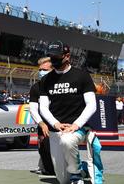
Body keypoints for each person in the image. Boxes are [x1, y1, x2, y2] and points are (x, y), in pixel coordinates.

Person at [39, 41, 97, 184]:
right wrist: (55, 123)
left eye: (57, 57)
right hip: (56, 129)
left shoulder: (82, 76)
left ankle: (76, 174)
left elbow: (92, 105)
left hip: (78, 128)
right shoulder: (45, 80)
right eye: (51, 57)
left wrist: (76, 125)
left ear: (67, 56)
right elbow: (43, 107)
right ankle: (81, 168)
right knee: (62, 179)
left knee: (67, 140)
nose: (54, 60)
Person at [28, 57, 55, 176]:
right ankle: (45, 167)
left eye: (44, 69)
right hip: (43, 124)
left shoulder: (60, 85)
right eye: (40, 69)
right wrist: (41, 123)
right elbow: (33, 108)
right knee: (43, 148)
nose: (41, 72)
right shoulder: (35, 87)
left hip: (60, 122)